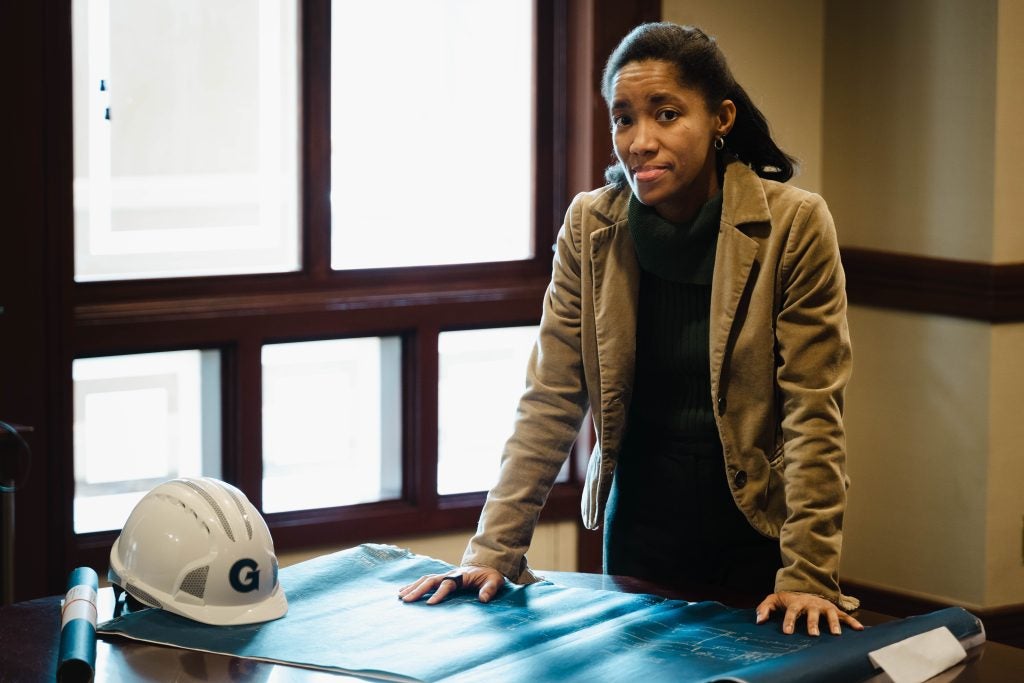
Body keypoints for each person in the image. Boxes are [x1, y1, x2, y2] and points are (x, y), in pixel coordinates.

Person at [399, 22, 863, 637]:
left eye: (666, 114)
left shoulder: (795, 224)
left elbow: (813, 412)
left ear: (721, 118)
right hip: (642, 519)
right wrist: (492, 552)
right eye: (623, 119)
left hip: (757, 527)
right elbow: (551, 397)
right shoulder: (592, 224)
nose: (639, 141)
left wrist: (807, 575)